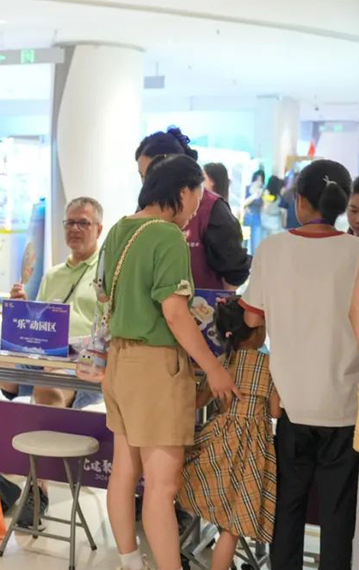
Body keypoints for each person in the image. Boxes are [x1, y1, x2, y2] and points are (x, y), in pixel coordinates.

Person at [102, 154, 239, 570]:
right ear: (182, 192)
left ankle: (129, 562)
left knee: (124, 471)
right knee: (162, 486)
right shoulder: (167, 235)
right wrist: (214, 368)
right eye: (197, 198)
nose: (196, 210)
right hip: (155, 367)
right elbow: (176, 313)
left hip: (119, 361)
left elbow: (105, 295)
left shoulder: (119, 229)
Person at [241, 159, 359, 570]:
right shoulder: (356, 252)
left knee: (288, 508)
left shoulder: (273, 249)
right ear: (342, 205)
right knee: (338, 514)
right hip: (344, 405)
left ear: (300, 201)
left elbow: (251, 319)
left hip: (290, 404)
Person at [178, 296, 281, 570]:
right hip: (252, 452)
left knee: (215, 503)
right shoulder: (270, 365)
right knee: (232, 525)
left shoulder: (223, 362)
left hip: (218, 443)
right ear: (257, 331)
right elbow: (275, 411)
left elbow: (198, 401)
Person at [0, 197, 105, 409]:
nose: (75, 228)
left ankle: (48, 429)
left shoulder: (106, 273)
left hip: (84, 360)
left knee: (48, 385)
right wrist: (22, 308)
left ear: (98, 230)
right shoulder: (52, 275)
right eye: (69, 223)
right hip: (45, 355)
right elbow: (38, 326)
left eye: (83, 223)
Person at [136, 129, 250, 290]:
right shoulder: (144, 209)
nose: (146, 184)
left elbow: (235, 271)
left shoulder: (213, 209)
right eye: (142, 176)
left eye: (150, 175)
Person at [242, 169, 265, 254]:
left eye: (261, 180)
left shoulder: (263, 191)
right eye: (257, 179)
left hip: (257, 218)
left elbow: (264, 207)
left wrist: (262, 195)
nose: (259, 182)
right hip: (247, 218)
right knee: (244, 243)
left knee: (255, 245)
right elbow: (243, 203)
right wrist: (254, 196)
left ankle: (254, 261)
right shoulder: (248, 188)